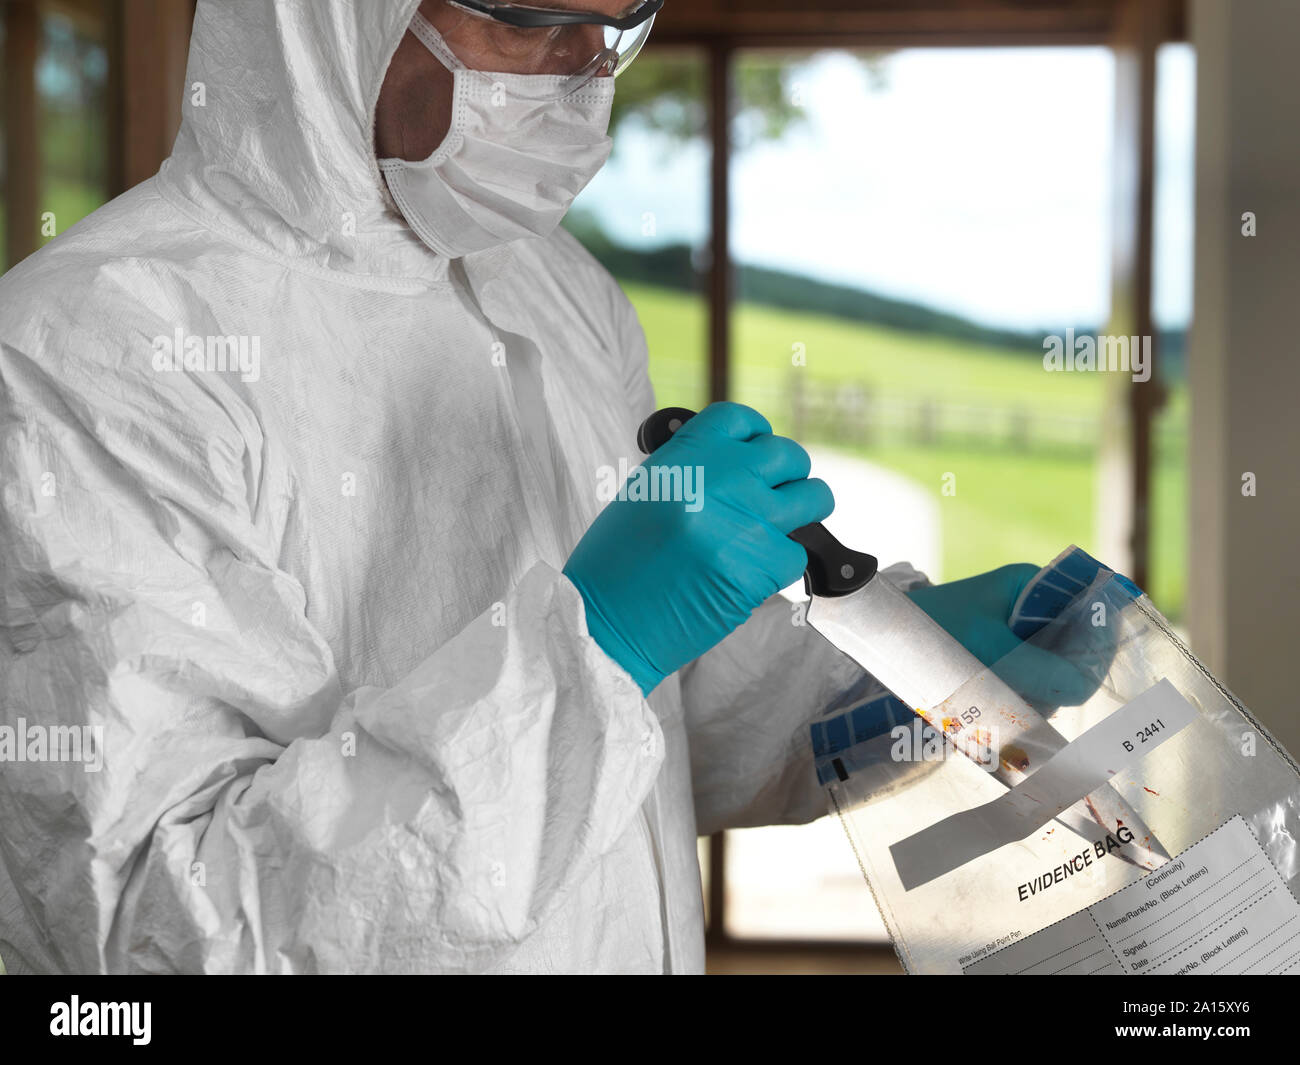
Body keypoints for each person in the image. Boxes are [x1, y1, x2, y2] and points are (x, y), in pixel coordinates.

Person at [0, 0, 1043, 974]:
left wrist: (900, 680)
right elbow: (167, 932)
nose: (583, 70)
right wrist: (595, 647)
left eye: (614, 25)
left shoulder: (555, 291)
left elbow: (658, 747)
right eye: (534, 16)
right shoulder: (95, 348)